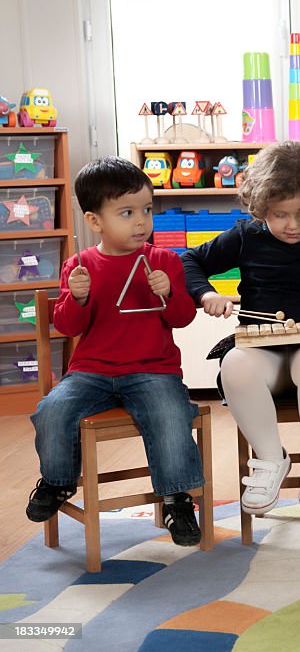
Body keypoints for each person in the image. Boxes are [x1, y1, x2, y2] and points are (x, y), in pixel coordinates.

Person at [27, 156, 204, 546]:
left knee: (171, 415)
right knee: (51, 410)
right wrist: (77, 296)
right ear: (95, 222)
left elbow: (182, 319)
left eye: (146, 210)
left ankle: (178, 500)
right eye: (127, 212)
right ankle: (57, 482)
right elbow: (68, 326)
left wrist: (170, 293)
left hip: (154, 370)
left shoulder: (165, 261)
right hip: (90, 371)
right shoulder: (80, 266)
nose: (141, 221)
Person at [183, 142, 300, 515]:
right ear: (261, 206)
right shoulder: (246, 236)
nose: (293, 225)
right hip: (262, 353)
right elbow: (190, 261)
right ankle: (269, 459)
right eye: (280, 215)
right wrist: (206, 295)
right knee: (234, 364)